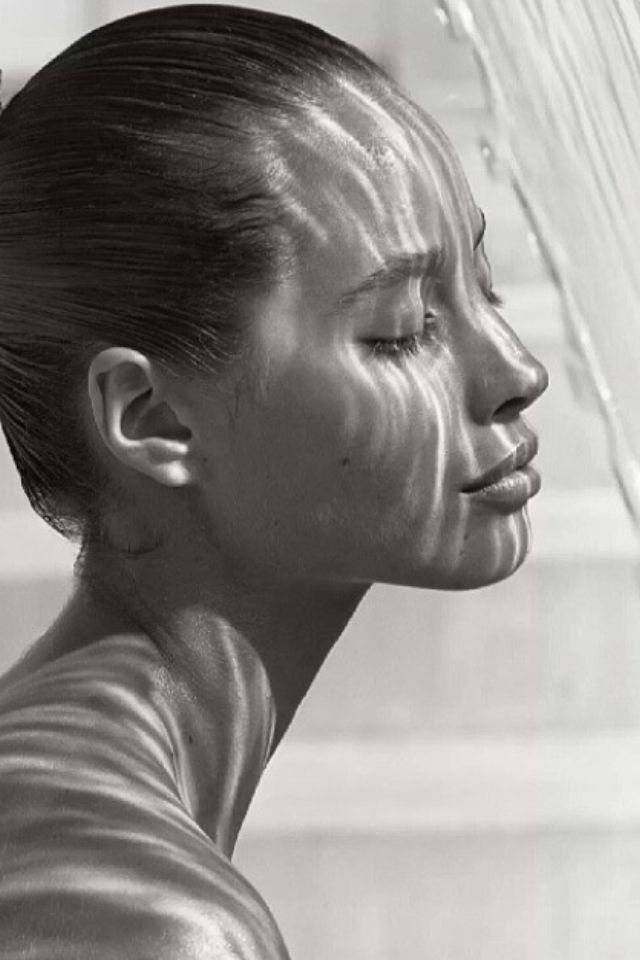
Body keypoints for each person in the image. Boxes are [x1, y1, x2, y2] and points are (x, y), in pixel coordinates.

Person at [0, 4, 548, 957]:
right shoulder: (137, 918)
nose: (515, 372)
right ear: (154, 418)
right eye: (403, 327)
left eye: (482, 282)